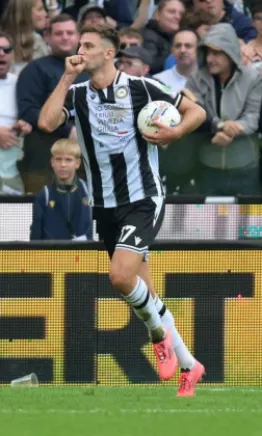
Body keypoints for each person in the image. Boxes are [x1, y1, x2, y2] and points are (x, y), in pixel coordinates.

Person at [38, 24, 206, 395]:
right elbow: (47, 122)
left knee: (119, 276)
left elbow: (196, 112)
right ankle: (191, 366)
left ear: (109, 53)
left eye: (89, 45)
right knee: (141, 287)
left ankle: (159, 337)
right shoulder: (78, 93)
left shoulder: (141, 88)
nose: (81, 50)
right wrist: (66, 77)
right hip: (104, 204)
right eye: (79, 44)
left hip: (142, 197)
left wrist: (174, 133)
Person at [186, 23, 262, 195]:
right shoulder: (195, 79)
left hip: (245, 166)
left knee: (247, 220)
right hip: (207, 166)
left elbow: (252, 118)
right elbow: (197, 116)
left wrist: (230, 131)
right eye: (207, 52)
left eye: (216, 52)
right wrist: (221, 126)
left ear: (230, 52)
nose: (209, 59)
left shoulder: (252, 78)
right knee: (209, 221)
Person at [17, 14, 89, 194]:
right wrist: (68, 130)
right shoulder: (34, 70)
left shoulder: (91, 70)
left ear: (79, 36)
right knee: (40, 213)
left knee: (85, 214)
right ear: (47, 37)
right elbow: (28, 111)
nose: (65, 37)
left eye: (70, 32)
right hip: (43, 159)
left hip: (87, 161)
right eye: (58, 33)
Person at [30, 139, 92, 240]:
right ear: (52, 162)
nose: (63, 165)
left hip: (82, 253)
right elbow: (36, 234)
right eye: (58, 159)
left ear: (77, 163)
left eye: (68, 160)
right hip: (52, 254)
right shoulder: (45, 194)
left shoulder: (88, 191)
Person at [0, 31, 32, 195]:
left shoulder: (20, 82)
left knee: (12, 219)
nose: (1, 54)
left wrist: (25, 125)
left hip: (12, 171)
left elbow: (29, 117)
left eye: (7, 49)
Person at [142, 0, 185, 74]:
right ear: (158, 15)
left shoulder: (177, 36)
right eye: (171, 12)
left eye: (181, 14)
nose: (177, 16)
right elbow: (149, 66)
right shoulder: (148, 36)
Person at [153, 28, 198, 92]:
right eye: (178, 46)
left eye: (188, 46)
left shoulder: (210, 81)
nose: (182, 50)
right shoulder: (158, 81)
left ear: (198, 50)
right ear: (172, 51)